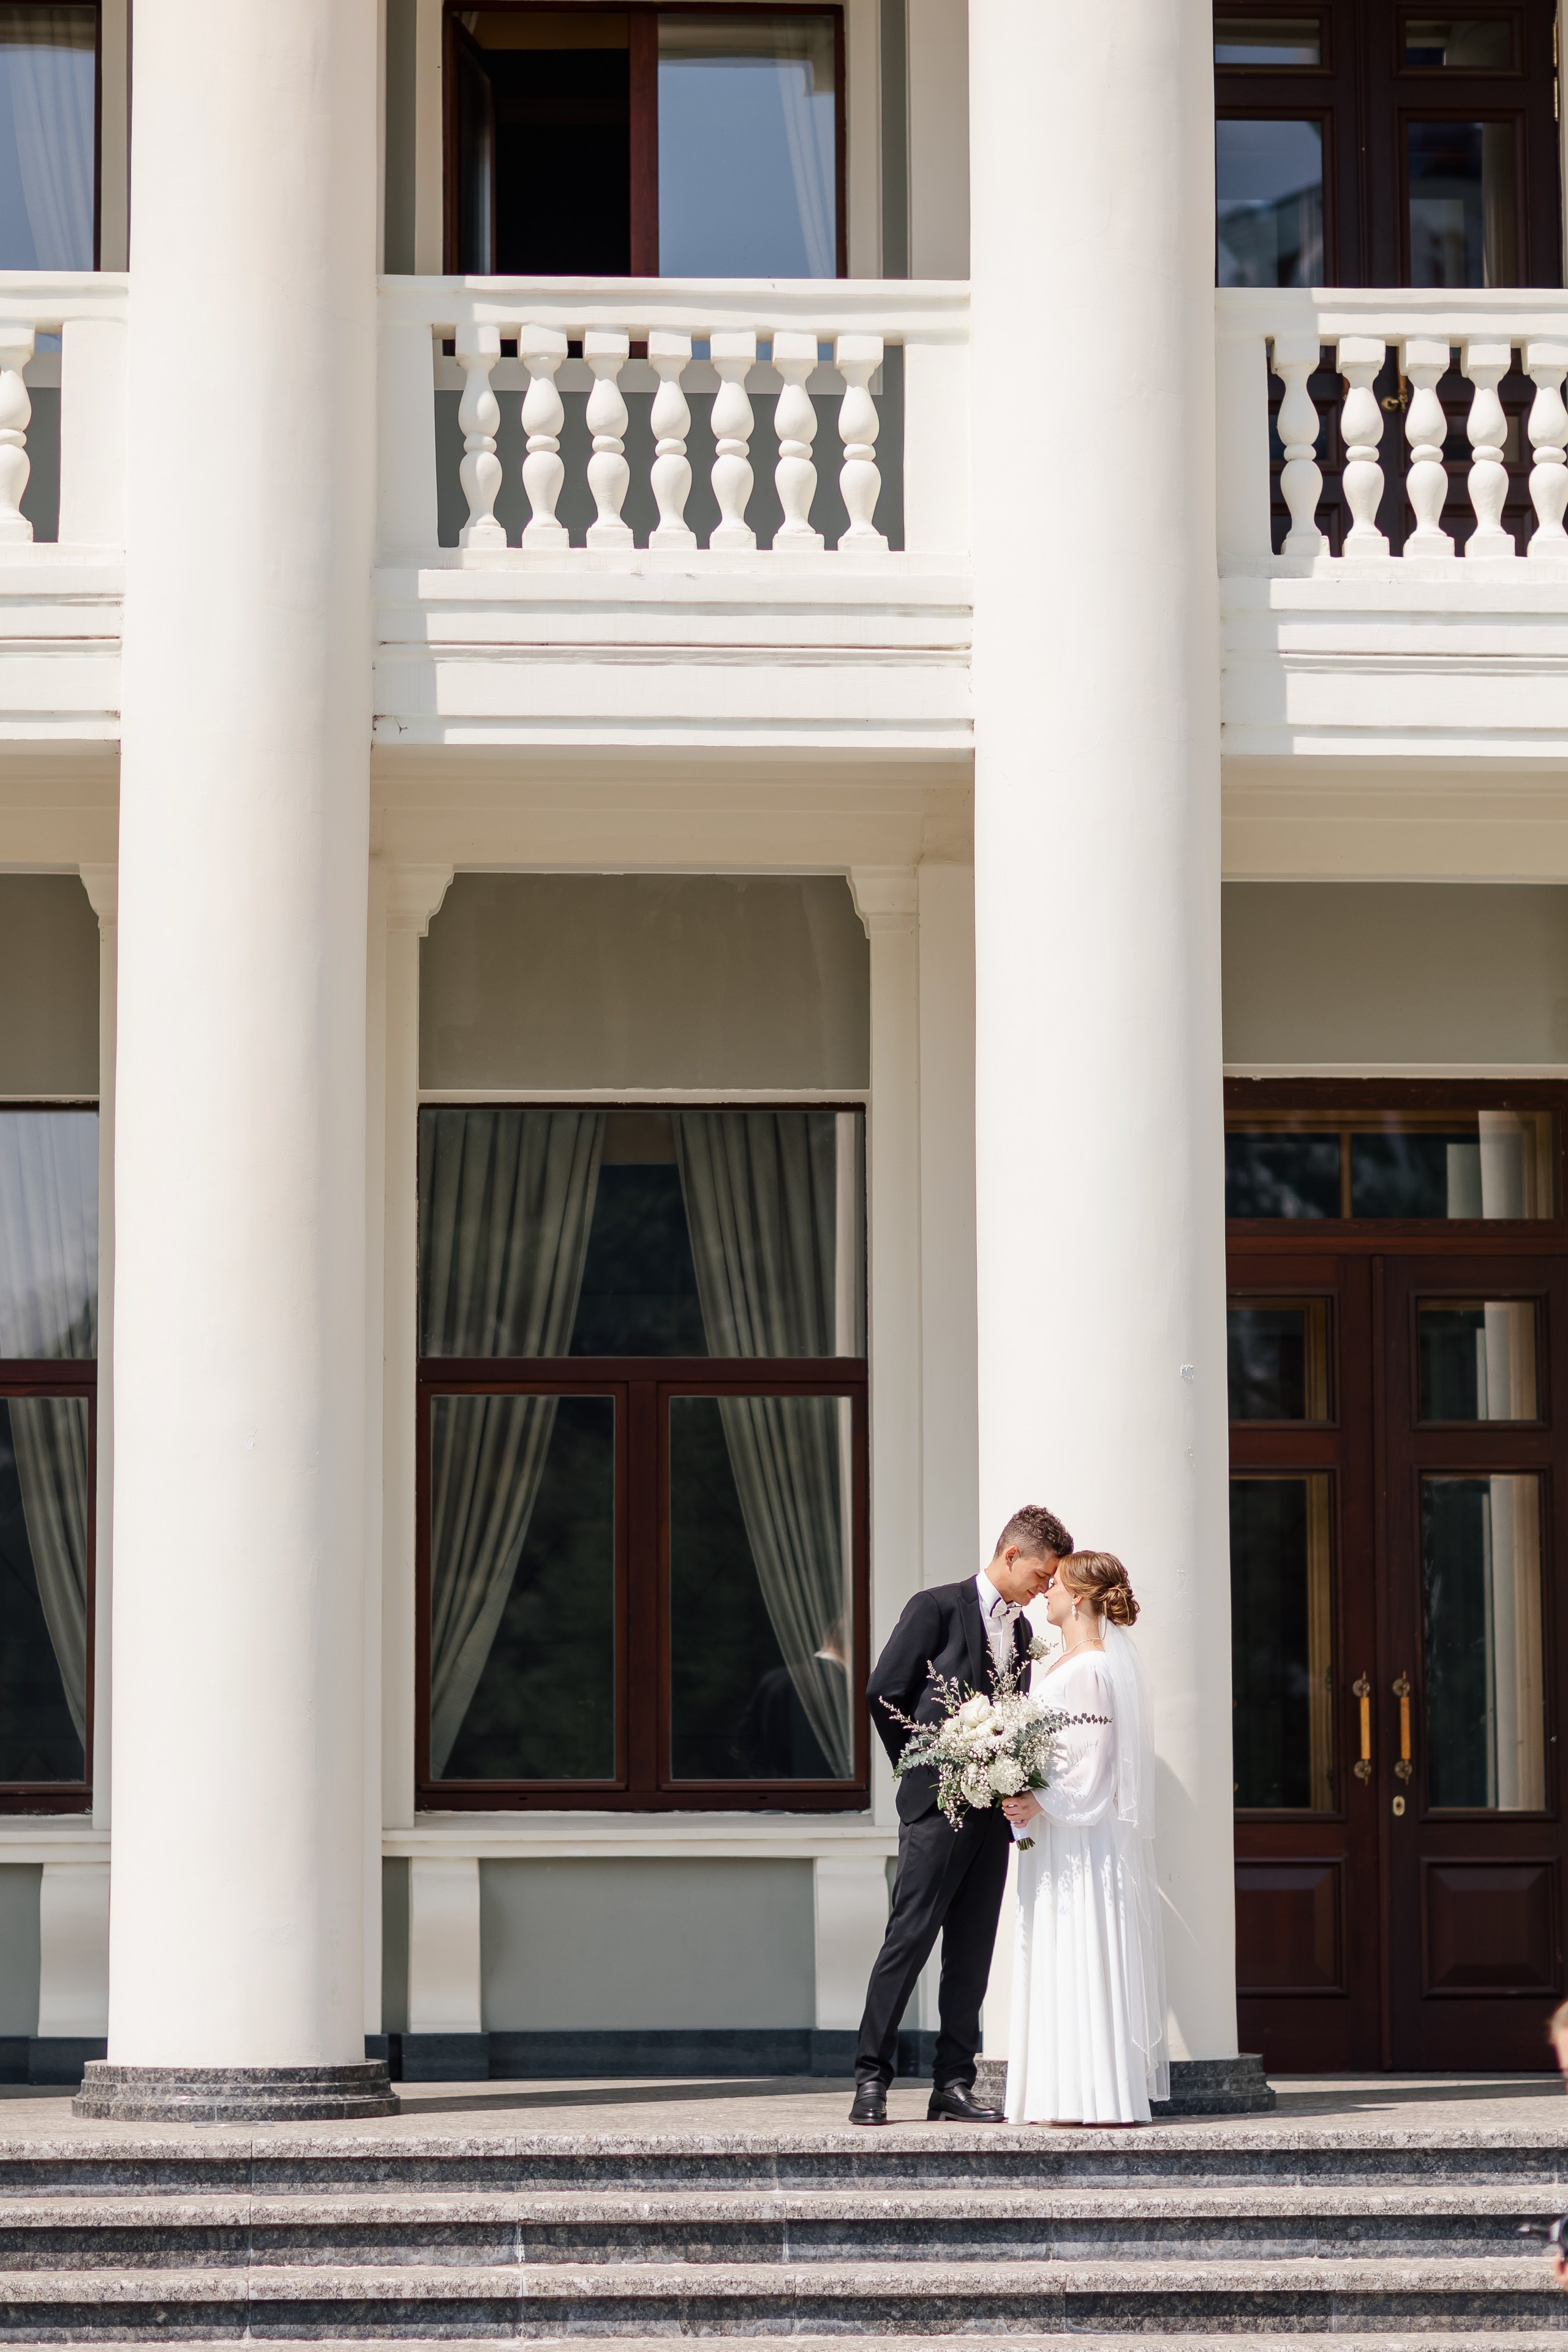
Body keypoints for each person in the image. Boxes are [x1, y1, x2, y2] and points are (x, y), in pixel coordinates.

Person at [849, 1504, 1074, 2127]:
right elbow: (881, 1691)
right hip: (936, 1808)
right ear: (1010, 1555)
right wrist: (926, 1763)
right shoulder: (935, 1607)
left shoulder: (1025, 1636)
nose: (1043, 1587)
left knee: (971, 1953)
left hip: (992, 1817)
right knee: (908, 1940)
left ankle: (953, 2083)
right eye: (1040, 1572)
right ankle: (871, 2079)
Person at [1000, 1550, 1169, 2125]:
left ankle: (1094, 2094)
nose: (1045, 1591)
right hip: (1055, 1836)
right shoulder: (1069, 1662)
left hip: (1079, 1839)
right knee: (1054, 1949)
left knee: (1080, 1945)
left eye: (1055, 1585)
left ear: (1077, 1598)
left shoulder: (1094, 1669)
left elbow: (1095, 1767)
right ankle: (1061, 2092)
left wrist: (1036, 1797)